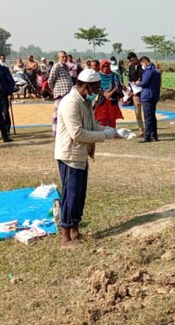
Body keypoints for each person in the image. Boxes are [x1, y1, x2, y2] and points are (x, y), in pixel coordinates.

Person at [55, 69, 117, 249]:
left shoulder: (85, 101)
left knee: (80, 195)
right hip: (70, 156)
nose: (98, 92)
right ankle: (65, 238)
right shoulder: (70, 103)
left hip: (81, 155)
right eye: (96, 88)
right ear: (87, 87)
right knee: (70, 195)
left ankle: (75, 231)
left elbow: (90, 125)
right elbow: (77, 133)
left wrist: (111, 131)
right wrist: (104, 135)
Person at [48, 51, 74, 137]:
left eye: (65, 57)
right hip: (60, 94)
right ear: (58, 58)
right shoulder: (56, 66)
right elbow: (50, 80)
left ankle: (66, 132)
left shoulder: (66, 67)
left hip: (68, 94)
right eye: (63, 57)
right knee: (57, 114)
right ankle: (55, 132)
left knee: (67, 114)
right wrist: (55, 90)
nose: (65, 58)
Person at [136, 56, 161, 143]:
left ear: (145, 62)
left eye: (142, 64)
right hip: (154, 95)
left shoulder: (148, 70)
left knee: (148, 117)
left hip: (147, 96)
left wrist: (138, 83)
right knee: (152, 116)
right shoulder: (156, 70)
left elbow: (145, 82)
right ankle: (154, 135)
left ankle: (147, 136)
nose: (142, 66)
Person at [94, 59, 124, 128]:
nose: (105, 68)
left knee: (112, 116)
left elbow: (117, 86)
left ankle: (112, 131)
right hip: (102, 99)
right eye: (103, 66)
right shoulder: (98, 76)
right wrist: (104, 93)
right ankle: (105, 131)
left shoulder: (114, 75)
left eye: (107, 66)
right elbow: (96, 86)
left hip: (112, 99)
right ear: (101, 67)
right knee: (103, 116)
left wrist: (110, 93)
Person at [0, 54, 15, 134]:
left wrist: (10, 92)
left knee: (5, 112)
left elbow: (11, 81)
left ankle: (6, 129)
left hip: (3, 94)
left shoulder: (4, 69)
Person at [127, 52, 144, 136]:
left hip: (144, 92)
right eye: (131, 61)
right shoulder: (131, 67)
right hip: (135, 93)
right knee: (137, 112)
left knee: (147, 112)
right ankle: (141, 130)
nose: (132, 62)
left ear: (136, 57)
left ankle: (149, 130)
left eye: (133, 60)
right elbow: (130, 79)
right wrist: (130, 90)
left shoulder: (143, 66)